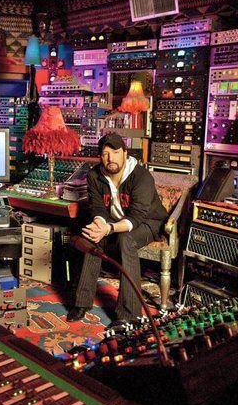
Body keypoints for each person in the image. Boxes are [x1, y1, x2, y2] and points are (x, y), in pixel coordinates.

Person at [67, 133, 167, 326]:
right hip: (114, 221)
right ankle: (82, 302)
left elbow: (137, 217)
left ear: (125, 153)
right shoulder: (95, 175)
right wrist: (98, 224)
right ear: (100, 156)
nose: (111, 158)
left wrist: (109, 228)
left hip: (149, 222)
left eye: (116, 152)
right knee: (90, 236)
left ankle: (129, 315)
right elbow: (97, 207)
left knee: (125, 239)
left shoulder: (141, 176)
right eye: (105, 153)